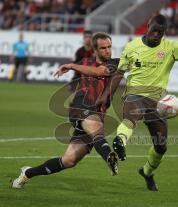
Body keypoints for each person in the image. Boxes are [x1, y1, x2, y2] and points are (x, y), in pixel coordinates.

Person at [96, 14, 178, 191]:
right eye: (154, 30)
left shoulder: (171, 47)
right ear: (148, 26)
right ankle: (120, 142)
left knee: (161, 146)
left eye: (160, 32)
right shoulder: (132, 47)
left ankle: (147, 172)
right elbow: (119, 73)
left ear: (164, 32)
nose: (156, 34)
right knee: (131, 116)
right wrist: (106, 96)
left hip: (157, 101)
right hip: (135, 93)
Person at [12, 32, 119, 189]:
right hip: (80, 108)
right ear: (95, 50)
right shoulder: (86, 61)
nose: (107, 51)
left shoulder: (115, 63)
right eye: (103, 48)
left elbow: (101, 72)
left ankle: (28, 173)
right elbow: (80, 78)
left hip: (97, 114)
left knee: (68, 161)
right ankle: (109, 157)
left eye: (109, 47)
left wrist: (71, 65)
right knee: (96, 128)